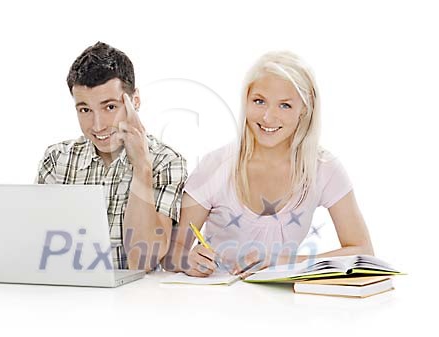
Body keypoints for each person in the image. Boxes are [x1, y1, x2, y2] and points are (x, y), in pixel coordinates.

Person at [164, 51, 374, 277]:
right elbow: (169, 254)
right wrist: (186, 259)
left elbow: (364, 253)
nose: (268, 117)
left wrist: (284, 262)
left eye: (285, 105)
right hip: (219, 303)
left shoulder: (324, 168)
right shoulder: (215, 166)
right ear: (246, 100)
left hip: (285, 306)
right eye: (259, 101)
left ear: (305, 108)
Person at [36, 42, 187, 271]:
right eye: (85, 110)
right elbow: (37, 246)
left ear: (134, 101)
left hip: (134, 301)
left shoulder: (167, 163)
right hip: (67, 296)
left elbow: (143, 261)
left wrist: (142, 167)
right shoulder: (57, 159)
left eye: (109, 107)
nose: (98, 125)